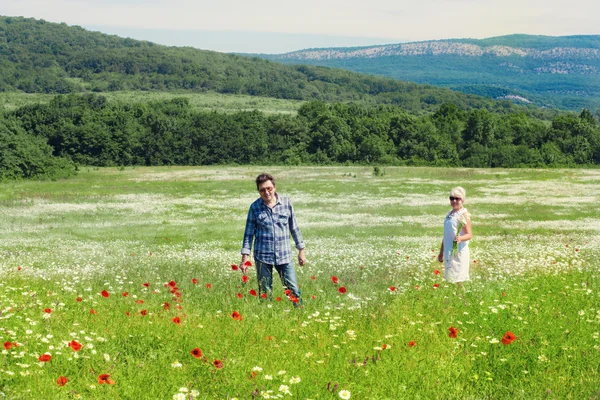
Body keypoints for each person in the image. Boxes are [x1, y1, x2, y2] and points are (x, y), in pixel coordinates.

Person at [241, 173, 306, 304]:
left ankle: (300, 315)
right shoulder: (254, 207)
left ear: (274, 187)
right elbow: (248, 234)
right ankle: (266, 318)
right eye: (262, 190)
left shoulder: (286, 203)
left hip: (285, 255)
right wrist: (244, 258)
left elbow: (294, 228)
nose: (266, 192)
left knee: (293, 290)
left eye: (269, 188)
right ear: (259, 192)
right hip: (262, 257)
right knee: (265, 293)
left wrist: (301, 250)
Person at [437, 186, 472, 289]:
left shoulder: (464, 215)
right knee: (451, 279)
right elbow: (446, 235)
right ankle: (458, 300)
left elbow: (469, 234)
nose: (454, 201)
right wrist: (441, 252)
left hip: (458, 251)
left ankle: (463, 300)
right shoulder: (449, 214)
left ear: (462, 200)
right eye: (452, 198)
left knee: (457, 279)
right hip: (449, 251)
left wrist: (460, 238)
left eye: (457, 198)